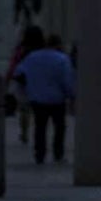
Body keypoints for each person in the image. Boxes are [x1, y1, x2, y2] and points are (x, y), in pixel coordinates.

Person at [13, 33, 75, 164]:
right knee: (59, 127)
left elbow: (18, 72)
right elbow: (67, 80)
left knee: (40, 127)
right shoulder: (62, 59)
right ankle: (58, 154)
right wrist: (70, 95)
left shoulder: (32, 57)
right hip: (57, 99)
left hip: (37, 98)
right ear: (58, 45)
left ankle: (39, 154)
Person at [6, 25, 45, 145]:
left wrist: (8, 79)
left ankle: (24, 132)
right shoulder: (42, 48)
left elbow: (14, 64)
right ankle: (37, 131)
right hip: (38, 80)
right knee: (38, 108)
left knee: (24, 108)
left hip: (22, 80)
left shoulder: (21, 49)